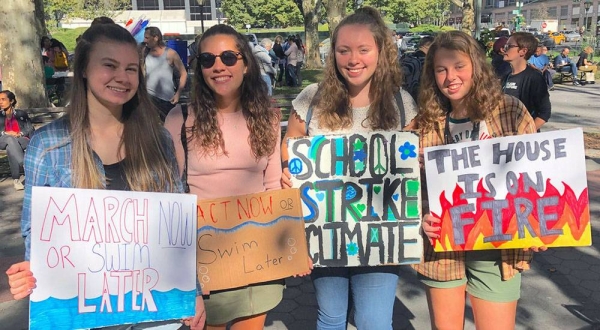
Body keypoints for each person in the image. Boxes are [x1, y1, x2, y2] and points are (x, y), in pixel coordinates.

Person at [5, 23, 205, 330]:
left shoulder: (158, 140)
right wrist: (33, 274)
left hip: (155, 309)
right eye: (109, 65)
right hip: (83, 312)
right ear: (84, 69)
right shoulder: (48, 145)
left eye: (130, 69)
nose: (122, 77)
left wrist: (193, 290)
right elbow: (37, 233)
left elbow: (175, 230)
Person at [281, 7, 417, 329]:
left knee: (374, 320)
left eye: (363, 50)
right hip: (324, 232)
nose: (353, 59)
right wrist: (289, 172)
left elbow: (413, 161)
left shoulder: (401, 103)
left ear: (380, 52)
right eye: (343, 50)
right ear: (334, 54)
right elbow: (290, 145)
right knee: (330, 316)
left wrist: (418, 165)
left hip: (381, 235)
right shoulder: (311, 100)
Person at [412, 30, 545, 330]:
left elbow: (534, 176)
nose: (450, 77)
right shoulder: (426, 123)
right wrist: (420, 216)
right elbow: (410, 187)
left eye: (459, 66)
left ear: (476, 67)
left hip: (499, 246)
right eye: (441, 70)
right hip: (442, 246)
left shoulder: (509, 111)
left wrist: (539, 224)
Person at [164, 24, 283, 330]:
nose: (218, 66)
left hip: (256, 256)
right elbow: (170, 196)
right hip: (204, 261)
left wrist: (289, 245)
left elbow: (271, 185)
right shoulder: (180, 119)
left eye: (229, 57)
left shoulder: (267, 116)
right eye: (208, 60)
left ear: (246, 63)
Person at [502, 32, 551, 131]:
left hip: (522, 141)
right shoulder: (505, 76)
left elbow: (544, 112)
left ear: (523, 51)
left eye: (508, 46)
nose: (504, 49)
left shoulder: (534, 78)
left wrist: (525, 133)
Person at [144, 26, 188, 121]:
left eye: (147, 38)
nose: (145, 40)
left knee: (169, 127)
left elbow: (183, 73)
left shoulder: (170, 53)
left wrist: (178, 93)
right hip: (149, 97)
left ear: (156, 38)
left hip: (166, 99)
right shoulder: (144, 53)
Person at [0, 90, 33, 191]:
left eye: (3, 99)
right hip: (2, 140)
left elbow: (30, 128)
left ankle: (16, 180)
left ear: (11, 101)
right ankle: (24, 163)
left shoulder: (21, 114)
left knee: (11, 147)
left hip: (21, 139)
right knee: (10, 139)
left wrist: (20, 134)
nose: (0, 102)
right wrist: (7, 133)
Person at [401, 36, 434, 100]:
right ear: (427, 46)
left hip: (404, 94)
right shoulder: (425, 61)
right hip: (420, 95)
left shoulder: (406, 57)